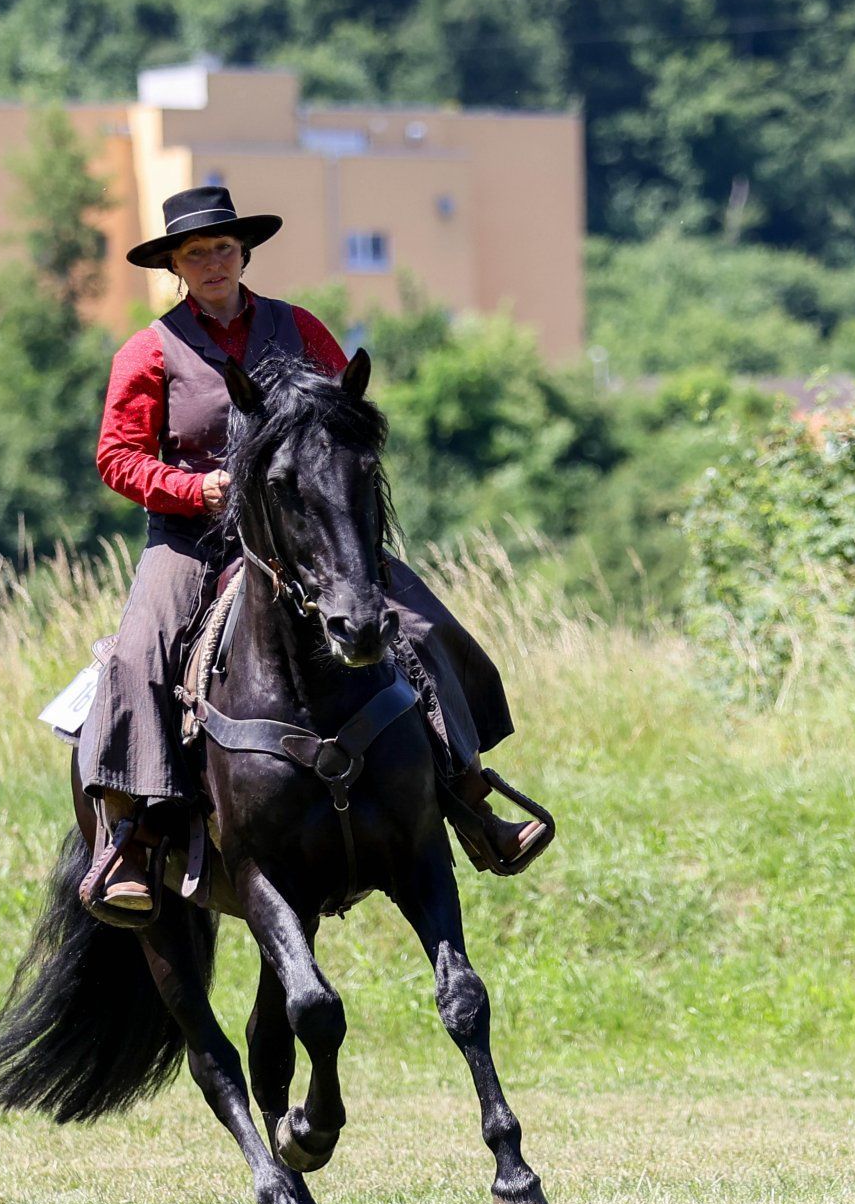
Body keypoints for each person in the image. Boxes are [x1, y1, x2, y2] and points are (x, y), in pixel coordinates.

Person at [78, 185, 549, 912]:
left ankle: (468, 796)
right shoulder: (148, 351)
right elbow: (117, 457)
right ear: (176, 265)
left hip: (306, 533)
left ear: (244, 253)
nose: (213, 263)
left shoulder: (300, 328)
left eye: (224, 248)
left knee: (424, 626)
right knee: (140, 652)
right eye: (196, 254)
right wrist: (194, 488)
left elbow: (344, 419)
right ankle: (132, 839)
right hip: (195, 538)